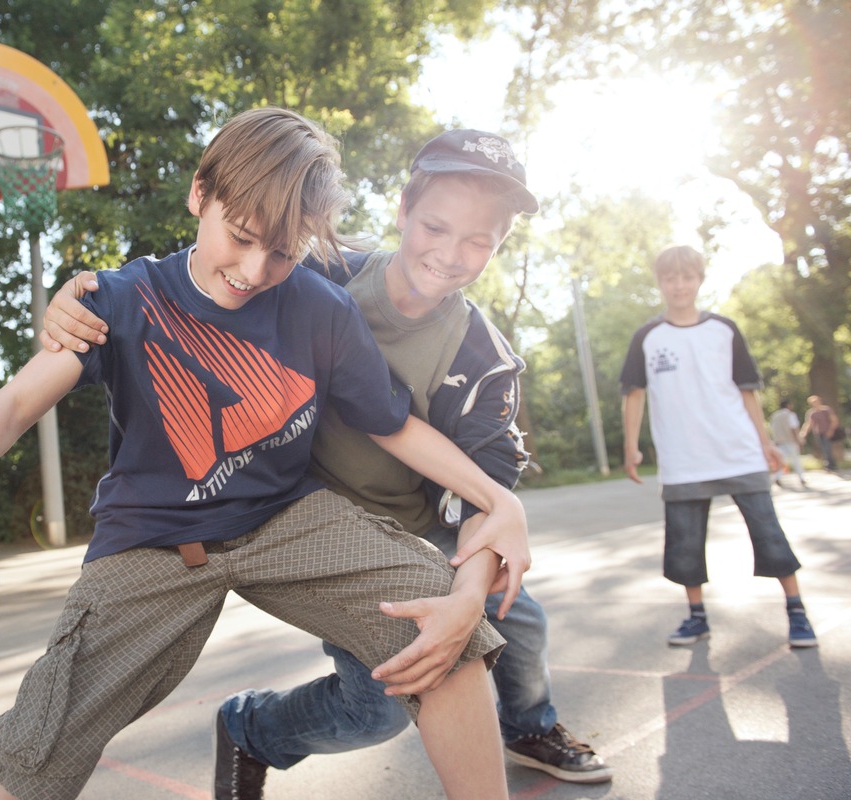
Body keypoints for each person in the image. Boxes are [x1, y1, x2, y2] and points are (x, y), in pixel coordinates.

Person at [0, 108, 531, 800]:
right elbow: (15, 403)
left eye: (282, 251)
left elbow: (392, 425)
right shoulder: (122, 299)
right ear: (200, 193)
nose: (253, 268)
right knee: (43, 739)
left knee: (447, 632)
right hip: (151, 538)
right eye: (240, 235)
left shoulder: (317, 305)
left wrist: (500, 499)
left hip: (283, 518)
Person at [42, 129, 612, 791]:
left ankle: (531, 724)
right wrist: (85, 303)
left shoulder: (487, 362)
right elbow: (198, 282)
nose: (451, 254)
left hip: (417, 526)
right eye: (435, 226)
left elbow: (486, 500)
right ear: (402, 210)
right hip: (303, 512)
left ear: (500, 244)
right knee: (381, 710)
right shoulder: (311, 273)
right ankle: (253, 726)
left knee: (510, 618)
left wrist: (468, 592)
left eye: (479, 241)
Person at [620, 244, 817, 650]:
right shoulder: (647, 337)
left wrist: (765, 444)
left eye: (686, 277)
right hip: (682, 459)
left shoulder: (723, 330)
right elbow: (634, 394)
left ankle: (797, 612)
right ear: (660, 283)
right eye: (670, 278)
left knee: (769, 534)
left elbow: (747, 393)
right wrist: (630, 447)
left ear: (699, 279)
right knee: (684, 545)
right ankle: (696, 618)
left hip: (738, 451)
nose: (679, 285)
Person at [768, 398, 806, 488]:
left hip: (779, 441)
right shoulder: (790, 415)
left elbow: (772, 429)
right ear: (788, 405)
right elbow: (794, 428)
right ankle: (801, 477)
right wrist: (799, 440)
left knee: (781, 460)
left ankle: (777, 476)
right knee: (796, 460)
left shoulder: (775, 416)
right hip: (790, 440)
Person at [800, 394, 840, 471]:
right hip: (819, 433)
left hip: (827, 432)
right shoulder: (812, 413)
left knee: (827, 448)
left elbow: (834, 420)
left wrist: (830, 431)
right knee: (824, 449)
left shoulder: (826, 410)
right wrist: (804, 433)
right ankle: (830, 465)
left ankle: (830, 465)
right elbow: (809, 424)